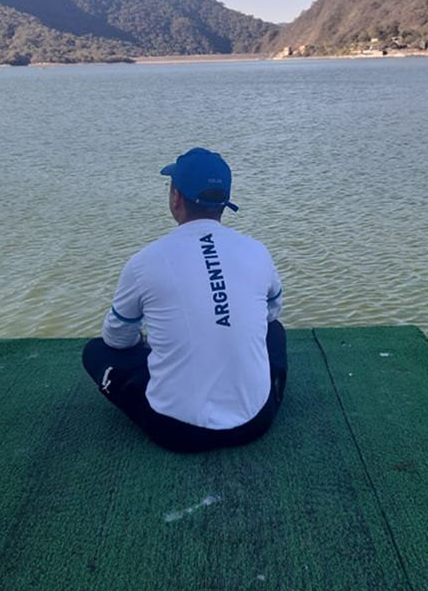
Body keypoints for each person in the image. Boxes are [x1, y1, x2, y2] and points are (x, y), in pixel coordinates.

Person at [82, 147, 286, 453]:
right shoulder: (257, 252)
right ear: (224, 201)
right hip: (256, 421)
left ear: (176, 198)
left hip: (176, 432)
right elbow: (272, 313)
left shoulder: (145, 262)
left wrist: (149, 343)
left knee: (96, 351)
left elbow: (117, 338)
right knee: (275, 331)